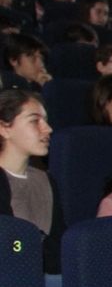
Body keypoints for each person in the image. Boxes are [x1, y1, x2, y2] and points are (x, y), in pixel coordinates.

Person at [0, 88, 64, 272]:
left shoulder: (46, 180)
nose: (48, 129)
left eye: (46, 121)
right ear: (4, 128)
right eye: (35, 121)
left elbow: (56, 247)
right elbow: (11, 247)